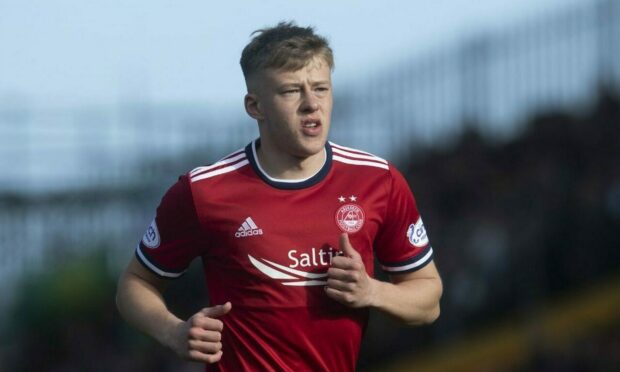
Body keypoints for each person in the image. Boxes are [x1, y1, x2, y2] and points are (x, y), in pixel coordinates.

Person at [116, 21, 442, 371]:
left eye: (320, 88)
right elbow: (134, 285)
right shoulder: (203, 192)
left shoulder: (378, 181)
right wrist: (175, 332)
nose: (311, 104)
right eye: (291, 91)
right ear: (255, 106)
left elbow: (428, 299)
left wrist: (373, 291)